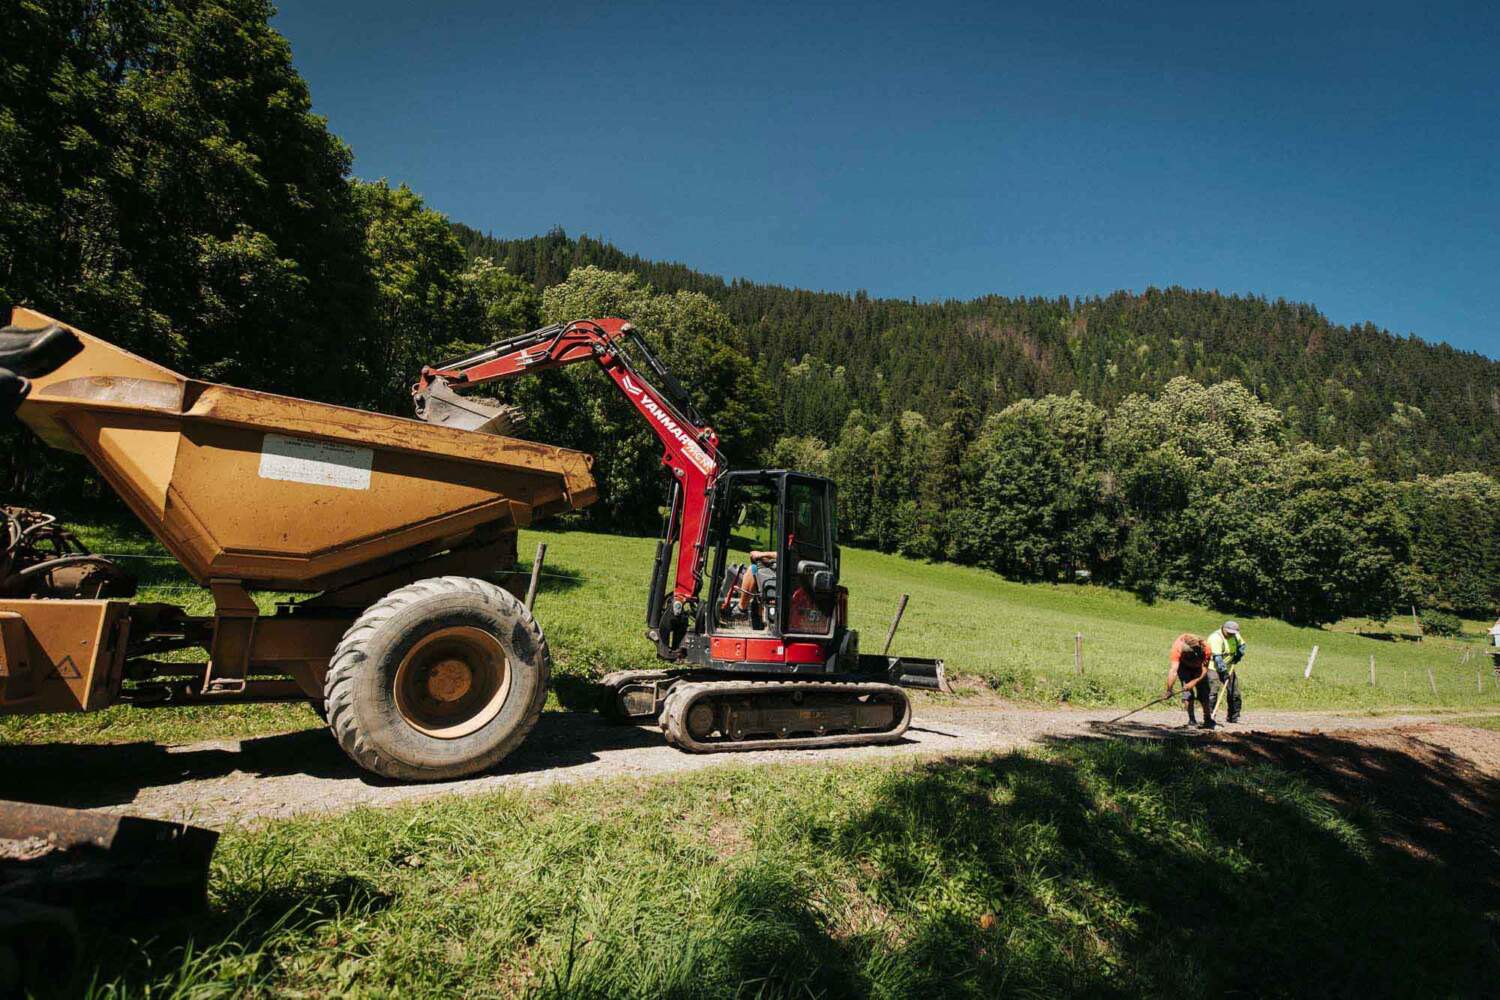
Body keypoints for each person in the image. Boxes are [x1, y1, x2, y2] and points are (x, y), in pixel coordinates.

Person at [1165, 633, 1215, 729]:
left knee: (1204, 693)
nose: (1187, 655)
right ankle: (1192, 720)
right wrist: (1169, 690)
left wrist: (1195, 681)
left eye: (1189, 654)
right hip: (1184, 668)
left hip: (1199, 669)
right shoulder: (1177, 648)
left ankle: (1208, 719)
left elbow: (1205, 669)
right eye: (1185, 654)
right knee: (1187, 694)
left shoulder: (1206, 648)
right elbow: (1173, 670)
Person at [1206, 621, 1247, 723]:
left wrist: (1239, 654)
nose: (1231, 634)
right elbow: (1218, 658)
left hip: (1229, 667)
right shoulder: (1215, 638)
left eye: (1233, 633)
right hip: (1213, 667)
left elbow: (1242, 645)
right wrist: (1224, 673)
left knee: (1235, 693)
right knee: (1213, 692)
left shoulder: (1235, 635)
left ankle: (1233, 717)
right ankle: (1209, 716)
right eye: (1229, 632)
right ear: (1223, 628)